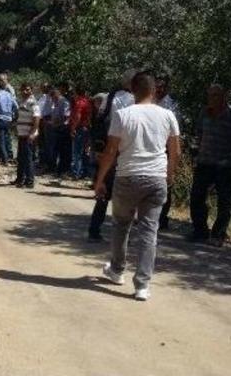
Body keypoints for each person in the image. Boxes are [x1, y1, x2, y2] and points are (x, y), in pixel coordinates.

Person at [95, 71, 181, 301]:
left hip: (127, 177)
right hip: (155, 179)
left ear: (132, 90)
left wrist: (100, 180)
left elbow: (111, 151)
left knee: (121, 225)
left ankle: (117, 269)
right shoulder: (168, 116)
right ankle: (142, 285)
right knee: (148, 231)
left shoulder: (123, 115)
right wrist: (169, 174)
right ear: (154, 91)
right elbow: (176, 151)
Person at [188, 84, 231, 246]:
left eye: (215, 95)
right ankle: (200, 231)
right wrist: (195, 154)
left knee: (224, 201)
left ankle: (218, 234)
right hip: (204, 162)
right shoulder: (204, 112)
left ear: (224, 96)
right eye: (210, 95)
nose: (211, 98)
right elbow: (198, 134)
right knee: (197, 197)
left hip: (225, 164)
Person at [88, 69, 136, 242]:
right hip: (126, 150)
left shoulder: (109, 97)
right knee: (126, 196)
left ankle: (94, 229)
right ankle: (123, 236)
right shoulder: (134, 101)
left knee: (104, 192)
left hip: (108, 149)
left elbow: (99, 121)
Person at [155, 76, 179, 230]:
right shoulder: (150, 102)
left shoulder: (172, 106)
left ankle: (162, 217)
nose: (160, 89)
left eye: (163, 86)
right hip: (151, 145)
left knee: (165, 183)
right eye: (158, 86)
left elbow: (175, 131)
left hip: (165, 146)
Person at [12, 82, 41, 188]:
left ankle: (29, 181)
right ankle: (20, 179)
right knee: (21, 157)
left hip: (29, 135)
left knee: (28, 158)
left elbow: (37, 118)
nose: (25, 91)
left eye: (27, 89)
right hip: (21, 133)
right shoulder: (22, 102)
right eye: (23, 89)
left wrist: (32, 133)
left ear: (31, 90)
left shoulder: (33, 103)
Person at [0, 78, 17, 165]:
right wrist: (12, 114)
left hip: (0, 118)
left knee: (1, 139)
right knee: (7, 138)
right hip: (8, 119)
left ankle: (5, 159)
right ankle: (7, 156)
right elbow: (16, 106)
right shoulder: (9, 95)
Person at [70, 86, 92, 179]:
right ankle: (85, 171)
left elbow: (78, 117)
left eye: (74, 93)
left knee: (77, 151)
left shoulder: (79, 103)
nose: (73, 95)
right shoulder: (87, 102)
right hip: (86, 128)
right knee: (85, 151)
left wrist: (73, 128)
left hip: (79, 129)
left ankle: (76, 173)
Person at [51, 83, 72, 177]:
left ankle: (63, 170)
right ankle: (58, 170)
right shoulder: (56, 102)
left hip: (63, 129)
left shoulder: (64, 101)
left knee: (64, 151)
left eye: (54, 97)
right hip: (57, 128)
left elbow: (66, 116)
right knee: (58, 150)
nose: (53, 99)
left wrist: (60, 124)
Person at [38, 83, 55, 171]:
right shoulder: (43, 97)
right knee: (42, 143)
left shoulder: (50, 97)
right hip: (41, 121)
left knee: (48, 144)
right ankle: (42, 161)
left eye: (46, 87)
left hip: (47, 121)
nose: (44, 88)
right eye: (43, 87)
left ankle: (49, 164)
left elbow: (51, 110)